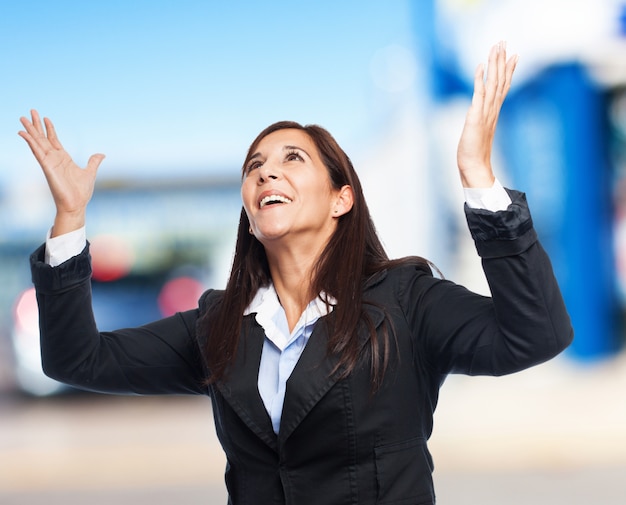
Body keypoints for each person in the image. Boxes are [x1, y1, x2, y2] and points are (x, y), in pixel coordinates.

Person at [19, 42, 572, 505]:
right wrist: (69, 219)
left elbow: (536, 334)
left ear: (341, 198)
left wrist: (478, 177)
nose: (266, 173)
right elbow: (75, 358)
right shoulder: (218, 325)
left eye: (291, 159)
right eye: (254, 166)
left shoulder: (406, 301)